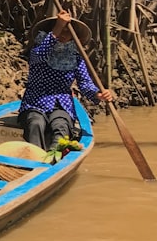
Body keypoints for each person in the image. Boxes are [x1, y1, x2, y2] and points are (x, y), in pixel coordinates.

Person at [18, 9, 113, 151]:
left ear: (73, 37)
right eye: (60, 31)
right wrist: (59, 26)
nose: (63, 35)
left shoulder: (75, 58)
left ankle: (55, 157)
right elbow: (41, 54)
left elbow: (85, 84)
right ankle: (35, 159)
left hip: (61, 104)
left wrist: (98, 94)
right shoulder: (37, 51)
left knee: (60, 125)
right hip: (35, 101)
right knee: (36, 124)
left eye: (67, 32)